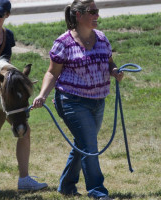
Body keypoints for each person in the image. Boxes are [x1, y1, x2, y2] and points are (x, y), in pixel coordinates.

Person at [32, 0, 124, 199]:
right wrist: (42, 95)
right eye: (92, 11)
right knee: (90, 145)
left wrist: (115, 71)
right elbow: (52, 73)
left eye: (97, 11)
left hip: (98, 101)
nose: (97, 15)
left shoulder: (101, 38)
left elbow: (109, 62)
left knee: (83, 144)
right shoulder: (63, 43)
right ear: (79, 15)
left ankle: (66, 185)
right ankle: (97, 191)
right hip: (71, 101)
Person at [0, 0, 48, 193]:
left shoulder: (8, 36)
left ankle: (24, 179)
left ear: (7, 15)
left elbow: (7, 65)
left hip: (2, 92)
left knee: (24, 130)